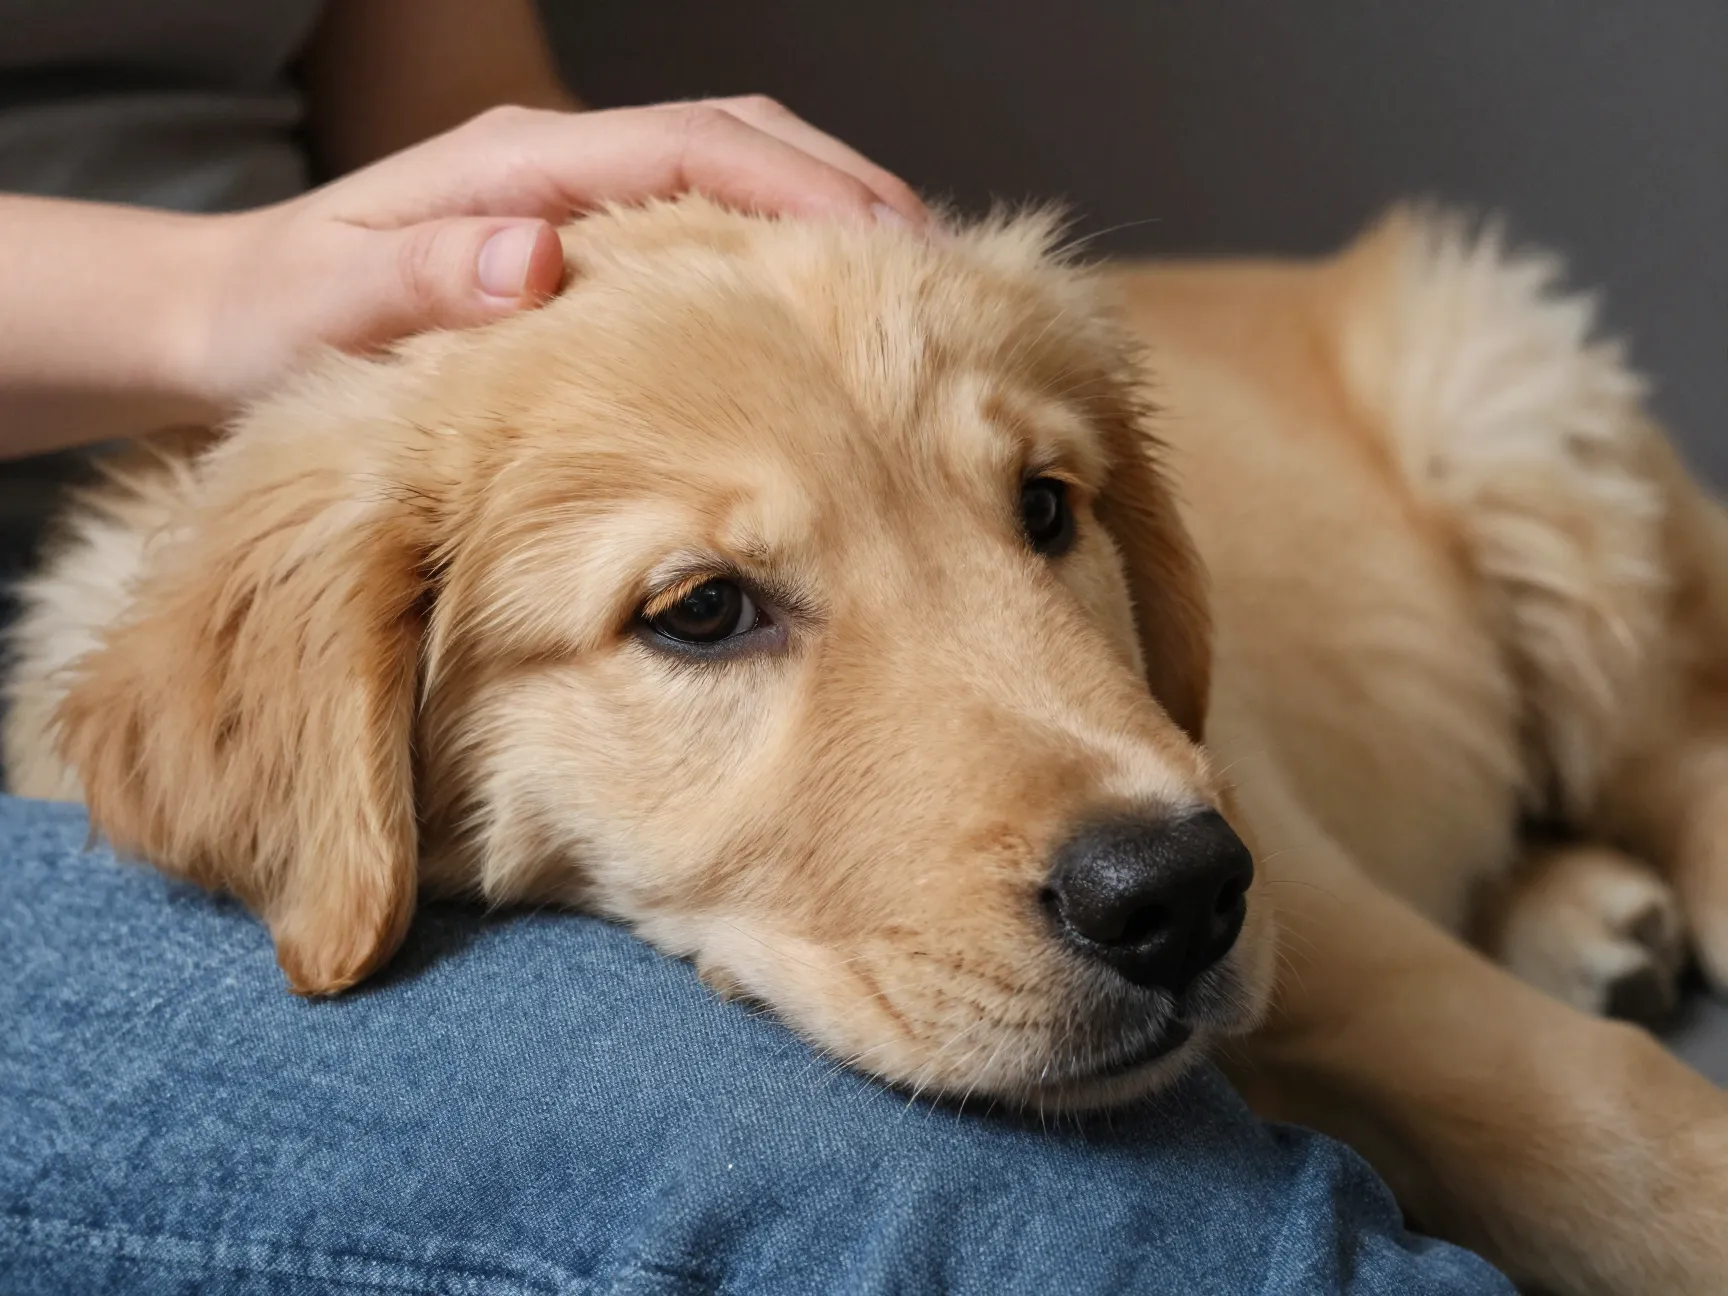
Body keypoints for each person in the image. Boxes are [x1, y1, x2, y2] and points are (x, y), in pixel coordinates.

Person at [0, 3, 1515, 1290]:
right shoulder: (326, 617)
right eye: (705, 611)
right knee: (1080, 1227)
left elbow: (462, 125)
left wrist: (663, 298)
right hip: (154, 600)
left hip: (360, 364)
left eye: (1046, 513)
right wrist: (196, 302)